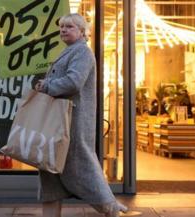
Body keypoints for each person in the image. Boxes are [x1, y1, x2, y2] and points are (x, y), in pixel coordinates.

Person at [35, 13, 128, 217]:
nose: (63, 30)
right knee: (50, 170)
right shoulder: (69, 51)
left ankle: (110, 207)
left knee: (81, 167)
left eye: (69, 26)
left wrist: (48, 85)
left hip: (73, 122)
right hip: (59, 122)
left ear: (82, 31)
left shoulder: (82, 53)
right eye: (61, 27)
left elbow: (74, 82)